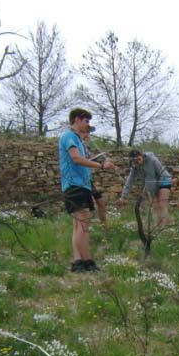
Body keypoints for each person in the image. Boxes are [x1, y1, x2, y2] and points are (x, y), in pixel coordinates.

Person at [58, 108, 117, 272]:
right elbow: (76, 159)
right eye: (86, 121)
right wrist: (102, 166)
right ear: (77, 119)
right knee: (83, 223)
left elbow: (82, 158)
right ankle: (87, 261)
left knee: (79, 224)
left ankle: (78, 262)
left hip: (80, 184)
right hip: (75, 185)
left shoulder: (76, 138)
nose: (88, 125)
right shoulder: (69, 136)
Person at [118, 149, 172, 228]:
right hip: (151, 185)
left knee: (162, 204)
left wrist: (156, 187)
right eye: (135, 161)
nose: (138, 162)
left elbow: (161, 172)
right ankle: (156, 226)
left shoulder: (152, 160)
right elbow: (129, 181)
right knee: (154, 205)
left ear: (142, 156)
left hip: (164, 180)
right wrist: (122, 197)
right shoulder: (134, 167)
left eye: (139, 159)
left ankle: (164, 227)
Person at [81, 126, 108, 225]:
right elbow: (80, 161)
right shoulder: (78, 146)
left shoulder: (87, 148)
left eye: (89, 133)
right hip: (81, 182)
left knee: (101, 203)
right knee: (86, 208)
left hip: (88, 180)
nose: (88, 135)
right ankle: (87, 228)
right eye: (86, 132)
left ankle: (104, 227)